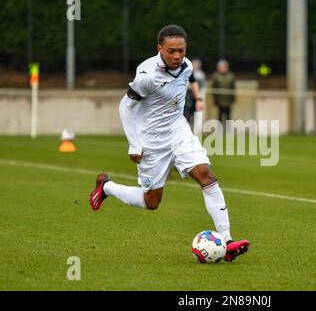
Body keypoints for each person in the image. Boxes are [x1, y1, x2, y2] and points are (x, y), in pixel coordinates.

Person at [89, 25, 250, 262]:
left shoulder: (185, 66)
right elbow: (125, 107)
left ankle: (226, 240)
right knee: (151, 202)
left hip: (178, 131)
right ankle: (107, 187)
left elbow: (185, 83)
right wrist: (134, 144)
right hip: (151, 141)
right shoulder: (147, 76)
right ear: (159, 49)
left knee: (206, 175)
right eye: (171, 51)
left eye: (181, 51)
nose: (177, 56)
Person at [211, 59, 236, 124]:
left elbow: (233, 87)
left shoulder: (231, 75)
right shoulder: (215, 76)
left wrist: (233, 99)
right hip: (219, 100)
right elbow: (214, 88)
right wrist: (215, 100)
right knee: (220, 114)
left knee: (228, 115)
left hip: (228, 100)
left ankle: (228, 130)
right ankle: (219, 129)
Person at [183, 58, 206, 124]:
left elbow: (201, 85)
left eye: (197, 64)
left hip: (195, 94)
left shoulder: (201, 74)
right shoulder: (188, 71)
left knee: (194, 111)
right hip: (187, 93)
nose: (196, 65)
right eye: (195, 64)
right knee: (186, 110)